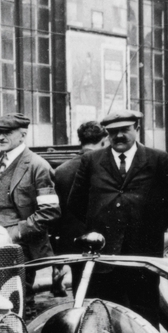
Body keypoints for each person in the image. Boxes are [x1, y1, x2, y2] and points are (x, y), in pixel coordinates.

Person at [66, 110, 168, 325]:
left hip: (143, 254)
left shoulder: (157, 159)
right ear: (107, 134)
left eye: (125, 130)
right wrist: (100, 224)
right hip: (104, 254)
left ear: (137, 129)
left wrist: (151, 227)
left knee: (144, 312)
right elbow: (76, 202)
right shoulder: (91, 160)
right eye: (113, 132)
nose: (119, 136)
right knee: (105, 312)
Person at [0, 113, 59, 307]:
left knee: (18, 302)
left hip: (20, 247)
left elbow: (49, 211)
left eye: (7, 132)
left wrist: (17, 232)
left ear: (23, 134)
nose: (1, 137)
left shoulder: (37, 166)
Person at [53, 121, 109, 295]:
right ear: (104, 140)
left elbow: (58, 213)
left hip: (75, 244)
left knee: (81, 294)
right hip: (105, 243)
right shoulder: (107, 168)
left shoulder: (62, 170)